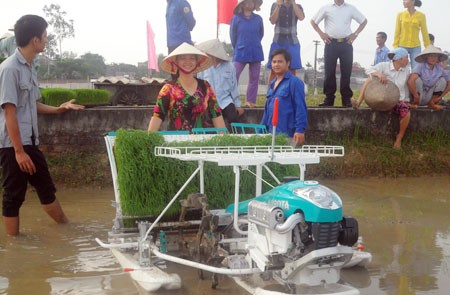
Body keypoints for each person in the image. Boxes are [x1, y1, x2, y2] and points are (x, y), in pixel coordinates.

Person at [0, 15, 85, 236]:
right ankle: (14, 244)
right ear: (35, 40)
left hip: (30, 142)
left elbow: (32, 104)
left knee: (46, 188)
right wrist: (18, 152)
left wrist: (59, 109)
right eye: (45, 37)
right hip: (12, 145)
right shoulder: (10, 69)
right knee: (13, 195)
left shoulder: (30, 67)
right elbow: (9, 111)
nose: (46, 41)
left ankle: (68, 229)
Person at [148, 43, 226, 133]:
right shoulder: (168, 89)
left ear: (197, 62)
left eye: (192, 58)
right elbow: (158, 115)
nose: (187, 61)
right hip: (175, 143)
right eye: (182, 58)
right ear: (176, 62)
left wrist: (224, 140)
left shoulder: (205, 86)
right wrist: (148, 141)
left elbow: (216, 114)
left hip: (201, 142)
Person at [311, 0, 367, 108]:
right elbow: (313, 21)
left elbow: (364, 21)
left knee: (346, 72)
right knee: (329, 72)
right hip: (330, 43)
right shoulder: (326, 8)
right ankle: (329, 98)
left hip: (346, 43)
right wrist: (321, 34)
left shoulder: (350, 8)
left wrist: (355, 34)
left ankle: (346, 99)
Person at [353, 48, 411, 149]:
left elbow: (405, 88)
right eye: (406, 57)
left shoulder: (406, 70)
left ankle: (399, 138)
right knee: (370, 78)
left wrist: (407, 101)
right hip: (378, 98)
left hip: (395, 101)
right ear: (399, 59)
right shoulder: (384, 66)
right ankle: (358, 102)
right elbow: (369, 70)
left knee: (406, 113)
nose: (408, 60)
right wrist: (379, 74)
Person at [260, 48, 307, 146]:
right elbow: (267, 111)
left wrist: (300, 130)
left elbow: (300, 107)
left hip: (288, 135)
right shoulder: (272, 84)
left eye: (280, 61)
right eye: (274, 62)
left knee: (287, 161)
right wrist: (261, 131)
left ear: (288, 63)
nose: (276, 64)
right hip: (270, 134)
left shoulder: (295, 82)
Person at [196, 39, 244, 128]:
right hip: (209, 101)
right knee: (208, 121)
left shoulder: (229, 66)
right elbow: (199, 86)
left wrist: (238, 105)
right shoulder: (203, 67)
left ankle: (236, 138)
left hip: (225, 100)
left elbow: (234, 87)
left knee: (233, 118)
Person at [230, 0, 264, 108]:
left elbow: (261, 34)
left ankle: (250, 101)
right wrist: (239, 46)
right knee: (234, 76)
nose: (249, 4)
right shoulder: (236, 19)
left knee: (254, 77)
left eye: (252, 2)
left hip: (256, 51)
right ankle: (231, 100)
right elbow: (233, 37)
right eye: (247, 2)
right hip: (240, 51)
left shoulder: (258, 19)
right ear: (242, 4)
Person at [267, 0, 305, 83]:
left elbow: (301, 17)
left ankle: (290, 92)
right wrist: (278, 6)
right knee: (274, 69)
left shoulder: (298, 6)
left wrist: (293, 3)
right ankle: (271, 94)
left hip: (293, 41)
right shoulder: (275, 5)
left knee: (292, 70)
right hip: (278, 40)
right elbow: (272, 21)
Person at [407, 45, 450, 110]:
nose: (433, 58)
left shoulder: (440, 69)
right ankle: (415, 103)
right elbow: (410, 81)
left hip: (430, 95)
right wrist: (415, 95)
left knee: (443, 80)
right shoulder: (420, 66)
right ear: (426, 57)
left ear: (438, 58)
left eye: (435, 56)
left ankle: (432, 102)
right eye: (431, 56)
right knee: (417, 80)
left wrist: (441, 96)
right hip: (419, 95)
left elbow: (449, 82)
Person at [393, 0, 430, 69]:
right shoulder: (400, 15)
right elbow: (397, 31)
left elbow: (424, 32)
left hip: (415, 47)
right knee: (402, 68)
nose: (403, 1)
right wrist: (395, 47)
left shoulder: (421, 16)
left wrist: (428, 47)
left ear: (413, 1)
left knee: (416, 68)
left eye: (405, 0)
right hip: (402, 46)